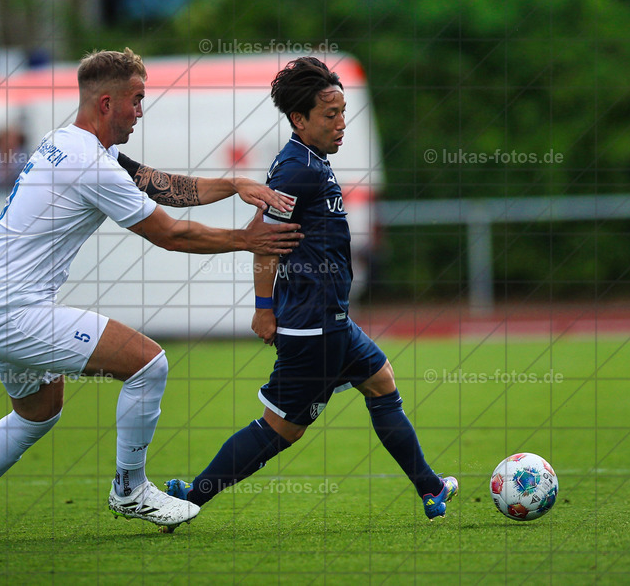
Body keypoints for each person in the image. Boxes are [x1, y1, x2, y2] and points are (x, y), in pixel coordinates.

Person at [0, 47, 302, 537]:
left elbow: (160, 185)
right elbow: (170, 233)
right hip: (14, 312)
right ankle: (130, 489)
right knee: (148, 363)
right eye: (136, 100)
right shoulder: (90, 165)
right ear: (105, 103)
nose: (141, 111)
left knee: (38, 412)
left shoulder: (73, 144)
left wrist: (233, 185)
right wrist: (246, 240)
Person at [164, 57, 458, 523]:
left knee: (381, 383)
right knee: (281, 428)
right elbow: (263, 241)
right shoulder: (295, 171)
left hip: (331, 318)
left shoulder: (312, 161)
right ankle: (190, 499)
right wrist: (264, 309)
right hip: (312, 326)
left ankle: (431, 487)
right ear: (300, 120)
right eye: (330, 115)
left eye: (343, 112)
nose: (341, 123)